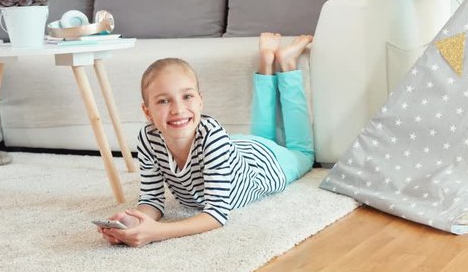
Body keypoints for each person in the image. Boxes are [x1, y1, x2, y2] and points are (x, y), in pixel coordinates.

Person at [98, 33, 315, 247]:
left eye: (187, 96)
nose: (178, 109)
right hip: (237, 147)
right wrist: (132, 221)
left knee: (303, 151)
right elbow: (152, 199)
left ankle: (287, 64)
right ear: (147, 112)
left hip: (267, 164)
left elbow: (217, 214)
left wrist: (158, 232)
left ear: (201, 101)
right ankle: (266, 61)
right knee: (259, 136)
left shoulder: (212, 136)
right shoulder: (148, 138)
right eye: (163, 101)